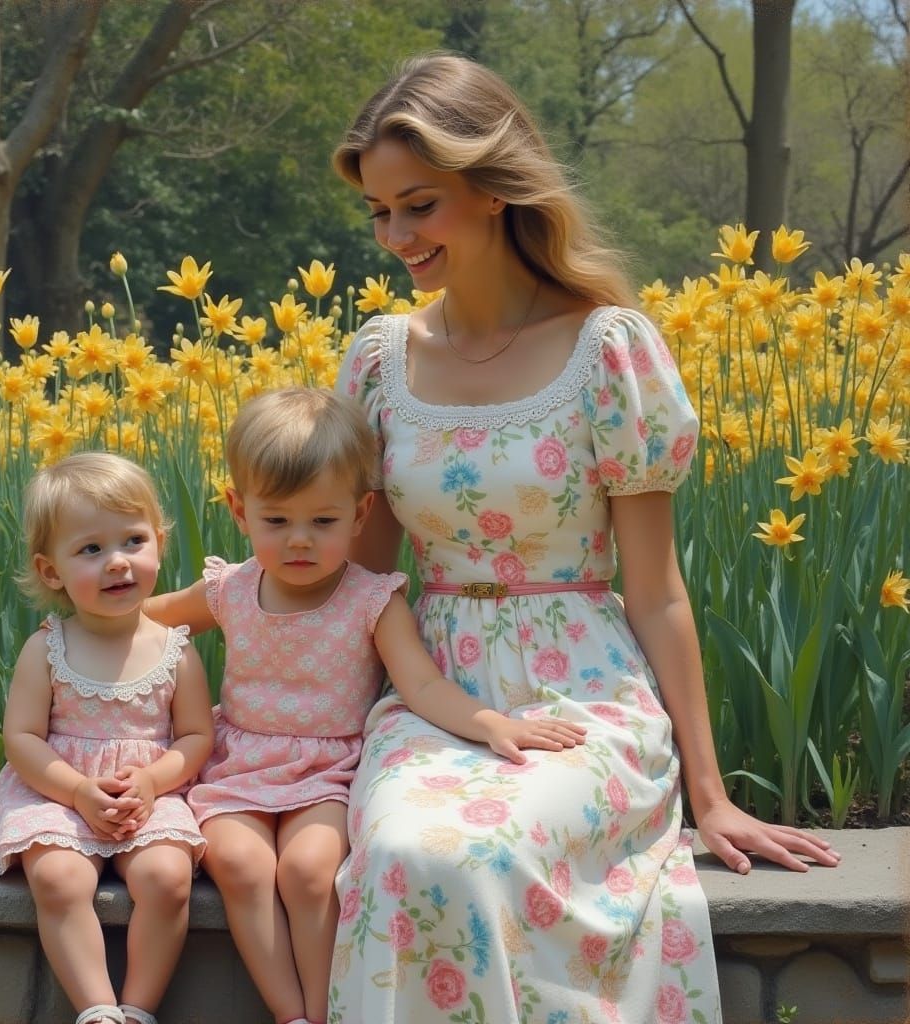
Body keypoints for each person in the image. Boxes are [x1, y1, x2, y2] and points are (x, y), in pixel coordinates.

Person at [328, 52, 841, 1023]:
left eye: (419, 206)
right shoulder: (380, 362)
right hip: (434, 696)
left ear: (492, 188)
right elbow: (360, 584)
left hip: (585, 695)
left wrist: (709, 794)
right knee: (402, 852)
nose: (395, 236)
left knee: (472, 853)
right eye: (380, 212)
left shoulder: (606, 349)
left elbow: (656, 592)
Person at [144, 387, 584, 1024]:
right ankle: (292, 1014)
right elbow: (148, 622)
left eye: (323, 522)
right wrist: (74, 632)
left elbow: (422, 685)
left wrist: (490, 723)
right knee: (239, 864)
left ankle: (326, 1011)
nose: (299, 541)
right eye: (277, 521)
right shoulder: (230, 589)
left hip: (328, 772)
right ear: (240, 511)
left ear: (360, 513)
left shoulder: (372, 600)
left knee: (308, 870)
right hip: (236, 765)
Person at [0, 452, 214, 1024]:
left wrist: (152, 781)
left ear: (158, 543)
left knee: (167, 877)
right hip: (58, 792)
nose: (118, 562)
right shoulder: (48, 647)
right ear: (51, 571)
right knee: (59, 878)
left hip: (146, 795)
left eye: (133, 541)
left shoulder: (174, 648)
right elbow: (23, 738)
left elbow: (196, 735)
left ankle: (139, 1008)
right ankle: (97, 1010)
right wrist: (78, 791)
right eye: (91, 549)